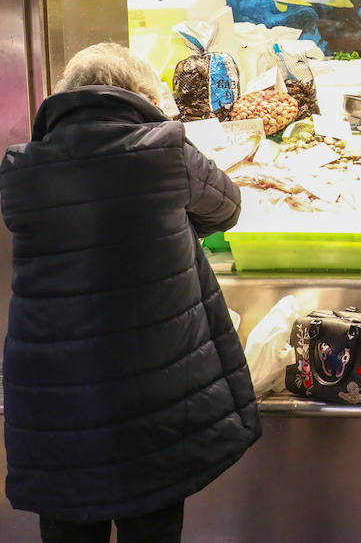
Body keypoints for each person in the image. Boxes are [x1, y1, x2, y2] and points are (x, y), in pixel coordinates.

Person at [0, 43, 260, 543]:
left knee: (68, 522)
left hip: (54, 405)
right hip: (151, 405)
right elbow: (226, 209)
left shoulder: (21, 170)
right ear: (139, 95)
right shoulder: (164, 148)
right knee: (153, 523)